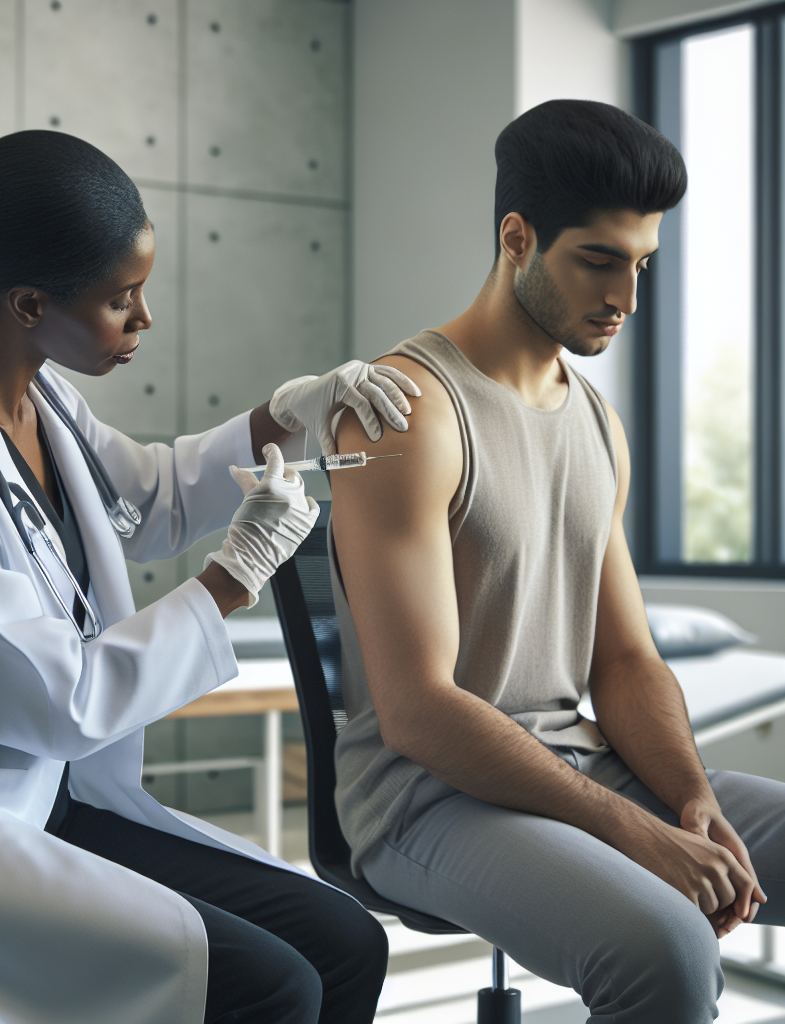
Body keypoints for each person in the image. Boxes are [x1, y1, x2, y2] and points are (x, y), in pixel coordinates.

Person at [0, 130, 421, 1024]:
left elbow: (148, 498)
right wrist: (234, 577)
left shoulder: (39, 399)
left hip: (40, 793)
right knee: (271, 986)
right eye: (123, 299)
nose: (144, 319)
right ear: (30, 303)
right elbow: (59, 700)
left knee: (345, 940)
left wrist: (288, 413)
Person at [327, 99, 785, 1023]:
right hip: (429, 799)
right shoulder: (408, 413)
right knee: (667, 945)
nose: (625, 297)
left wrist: (687, 802)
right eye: (599, 260)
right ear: (517, 236)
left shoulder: (596, 421)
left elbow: (624, 660)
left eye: (642, 265)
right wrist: (637, 832)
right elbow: (417, 711)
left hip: (579, 762)